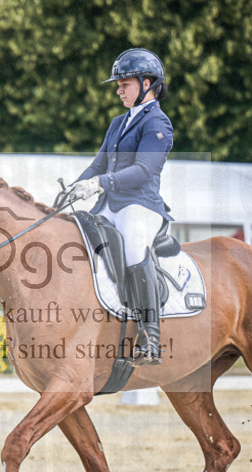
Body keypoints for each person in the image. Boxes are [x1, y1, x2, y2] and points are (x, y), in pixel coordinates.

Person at [65, 47, 173, 366]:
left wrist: (100, 183)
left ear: (147, 83)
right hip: (108, 204)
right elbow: (98, 164)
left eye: (124, 84)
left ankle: (150, 337)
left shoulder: (158, 123)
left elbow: (143, 171)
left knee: (134, 247)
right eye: (119, 85)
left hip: (140, 205)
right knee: (73, 238)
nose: (118, 90)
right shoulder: (118, 123)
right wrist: (74, 188)